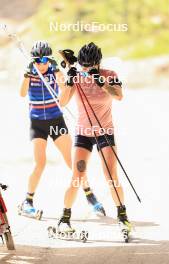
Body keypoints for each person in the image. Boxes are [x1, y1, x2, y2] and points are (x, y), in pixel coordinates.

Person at [19, 41, 105, 218]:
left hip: (56, 121)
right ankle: (27, 201)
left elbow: (65, 87)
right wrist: (27, 73)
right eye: (37, 61)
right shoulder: (31, 73)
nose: (41, 64)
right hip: (38, 124)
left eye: (45, 60)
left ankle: (90, 195)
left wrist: (57, 69)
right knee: (40, 163)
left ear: (49, 60)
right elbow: (22, 93)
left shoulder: (53, 71)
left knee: (72, 163)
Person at [57, 42, 131, 233]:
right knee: (77, 177)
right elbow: (62, 102)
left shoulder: (110, 75)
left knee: (111, 176)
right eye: (84, 66)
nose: (87, 69)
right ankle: (64, 218)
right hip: (83, 134)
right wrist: (69, 82)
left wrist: (101, 83)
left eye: (91, 66)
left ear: (98, 63)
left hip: (105, 133)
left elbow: (119, 96)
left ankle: (123, 216)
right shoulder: (78, 76)